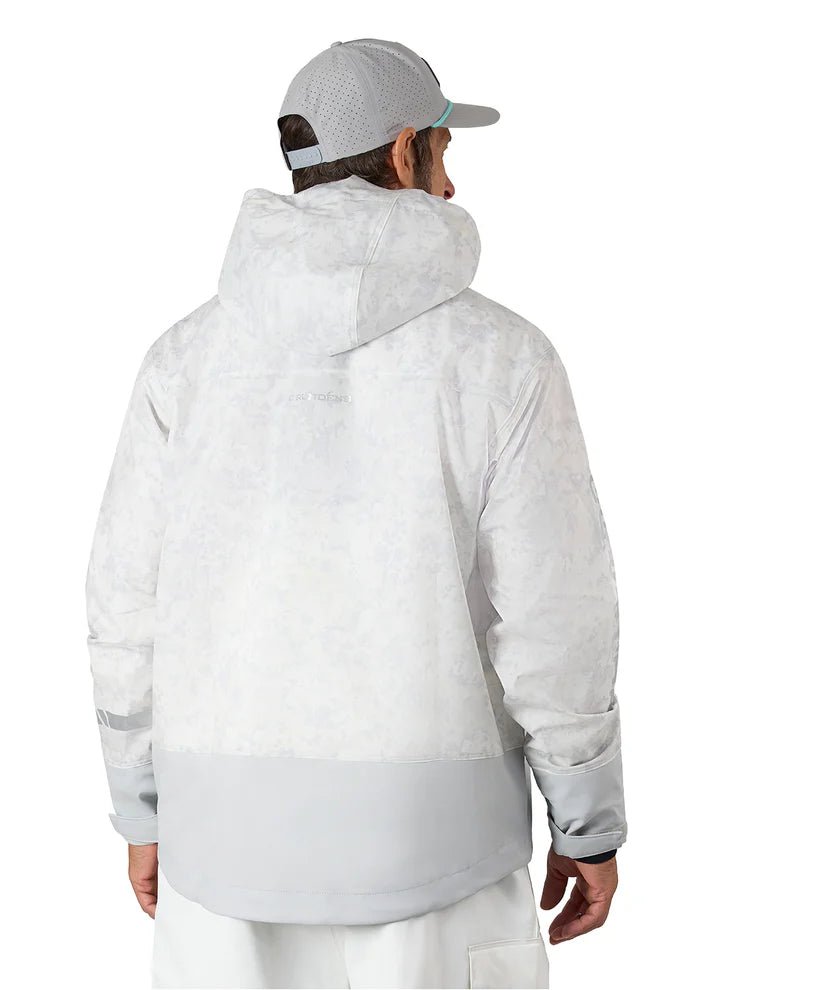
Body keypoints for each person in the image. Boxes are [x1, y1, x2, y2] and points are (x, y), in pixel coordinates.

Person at [85, 37, 627, 989]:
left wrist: (142, 807)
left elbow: (125, 607)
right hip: (441, 855)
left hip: (223, 852)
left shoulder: (185, 360)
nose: (452, 187)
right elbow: (555, 618)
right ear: (409, 148)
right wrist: (587, 821)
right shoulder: (503, 357)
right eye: (445, 153)